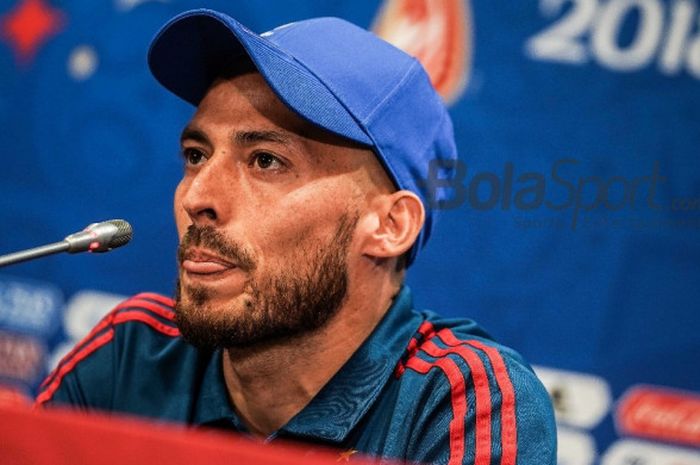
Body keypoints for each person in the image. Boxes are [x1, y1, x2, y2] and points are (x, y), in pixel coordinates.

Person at [36, 9, 557, 465]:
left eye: (266, 161)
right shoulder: (135, 352)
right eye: (197, 155)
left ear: (390, 226)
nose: (197, 197)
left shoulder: (460, 403)